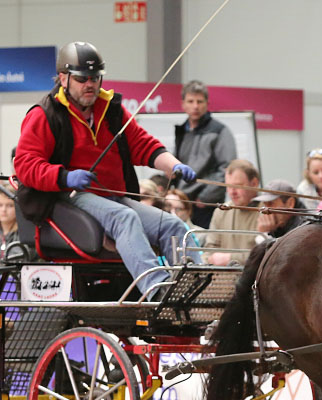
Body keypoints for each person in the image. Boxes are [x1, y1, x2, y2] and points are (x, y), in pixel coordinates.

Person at [14, 41, 196, 300]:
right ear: (63, 78)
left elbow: (142, 145)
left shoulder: (110, 109)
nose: (91, 84)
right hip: (68, 196)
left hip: (111, 197)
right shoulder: (45, 114)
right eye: (82, 78)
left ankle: (193, 288)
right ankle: (158, 292)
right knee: (125, 218)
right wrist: (64, 176)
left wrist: (173, 164)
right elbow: (25, 165)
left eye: (96, 77)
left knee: (174, 226)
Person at [173, 80, 237, 228]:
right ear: (183, 104)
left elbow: (227, 169)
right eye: (191, 101)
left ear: (207, 103)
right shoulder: (182, 131)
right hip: (182, 202)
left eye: (199, 101)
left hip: (205, 206)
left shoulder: (220, 131)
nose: (195, 106)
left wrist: (205, 198)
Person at [205, 159, 260, 265]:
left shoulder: (268, 210)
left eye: (237, 186)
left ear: (254, 183)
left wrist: (230, 258)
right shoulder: (221, 211)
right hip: (224, 279)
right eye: (228, 186)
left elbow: (266, 255)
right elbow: (209, 251)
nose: (232, 192)